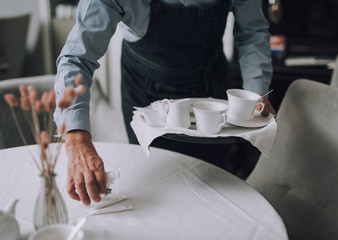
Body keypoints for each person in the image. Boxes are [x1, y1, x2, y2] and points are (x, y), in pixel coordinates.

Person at [54, 0, 276, 206]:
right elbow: (77, 58)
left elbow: (252, 32)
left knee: (214, 189)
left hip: (211, 90)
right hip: (145, 91)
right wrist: (76, 137)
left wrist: (255, 95)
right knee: (156, 190)